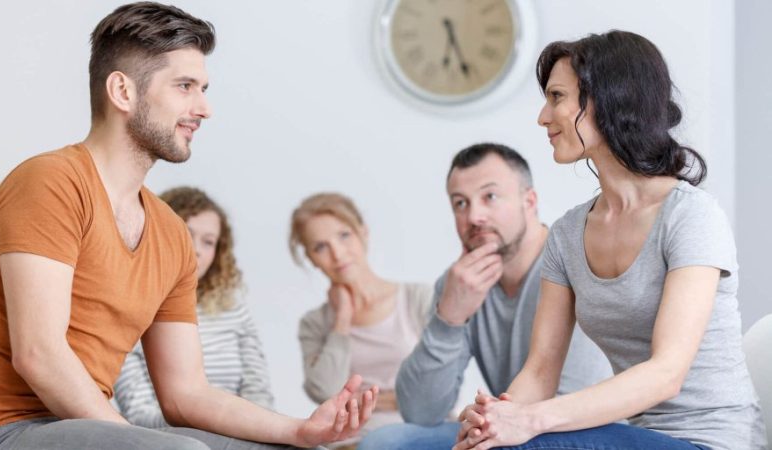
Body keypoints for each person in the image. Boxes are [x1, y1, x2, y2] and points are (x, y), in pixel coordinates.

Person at [0, 3, 377, 450]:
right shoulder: (50, 183)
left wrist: (299, 431)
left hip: (89, 429)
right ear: (123, 92)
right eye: (185, 86)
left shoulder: (171, 233)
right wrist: (136, 440)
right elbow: (39, 355)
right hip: (2, 433)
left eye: (203, 88)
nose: (204, 108)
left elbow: (185, 393)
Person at [455, 31, 767, 450]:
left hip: (709, 439)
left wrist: (529, 422)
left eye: (557, 97)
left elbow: (666, 374)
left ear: (608, 99)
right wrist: (497, 416)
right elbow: (541, 371)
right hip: (634, 436)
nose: (543, 117)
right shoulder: (567, 234)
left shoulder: (691, 217)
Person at [358, 143, 612, 450]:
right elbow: (420, 412)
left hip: (583, 430)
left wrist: (486, 420)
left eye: (489, 197)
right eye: (460, 203)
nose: (474, 216)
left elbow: (570, 402)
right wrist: (448, 319)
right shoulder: (459, 285)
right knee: (387, 442)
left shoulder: (574, 263)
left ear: (529, 201)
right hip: (505, 426)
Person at [115, 186, 275, 428]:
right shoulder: (128, 307)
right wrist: (218, 424)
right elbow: (139, 414)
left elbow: (259, 391)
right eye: (186, 234)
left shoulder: (232, 307)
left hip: (241, 432)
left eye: (208, 242)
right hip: (175, 437)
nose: (197, 250)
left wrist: (251, 430)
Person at [291, 192, 434, 448]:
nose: (337, 254)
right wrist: (342, 320)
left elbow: (433, 392)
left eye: (344, 235)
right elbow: (325, 392)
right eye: (320, 247)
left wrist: (357, 401)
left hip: (423, 431)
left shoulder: (417, 299)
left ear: (363, 232)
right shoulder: (315, 323)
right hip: (350, 441)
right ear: (311, 258)